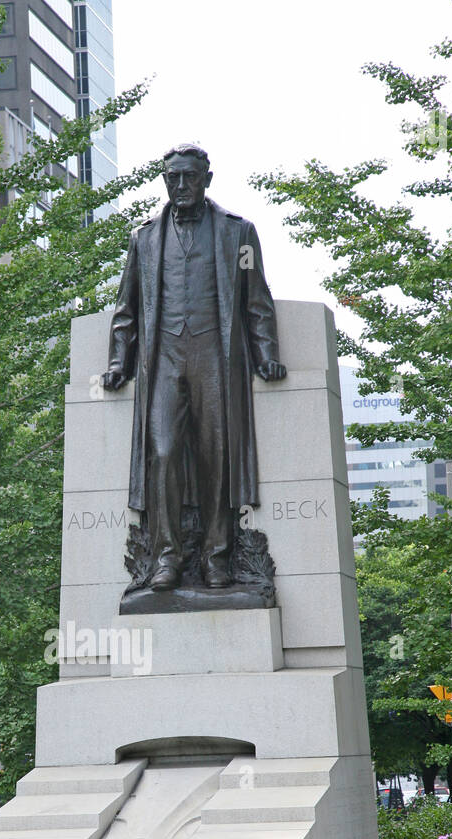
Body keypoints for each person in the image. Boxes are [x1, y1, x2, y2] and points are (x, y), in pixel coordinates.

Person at [102, 143, 286, 590]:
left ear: (207, 178)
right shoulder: (144, 238)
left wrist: (266, 355)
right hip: (162, 358)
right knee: (162, 453)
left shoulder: (236, 232)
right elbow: (127, 307)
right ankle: (167, 557)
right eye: (173, 178)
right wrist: (117, 362)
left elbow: (255, 299)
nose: (180, 185)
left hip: (215, 358)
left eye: (189, 177)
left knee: (215, 459)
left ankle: (216, 556)